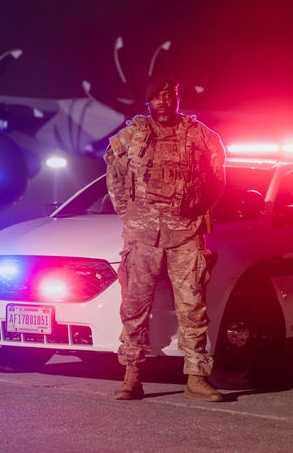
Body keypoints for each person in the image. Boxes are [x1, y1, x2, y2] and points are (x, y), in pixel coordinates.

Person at [104, 74, 226, 402]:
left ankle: (197, 378)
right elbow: (114, 175)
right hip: (142, 236)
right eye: (157, 97)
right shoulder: (131, 136)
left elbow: (217, 179)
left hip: (185, 233)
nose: (164, 102)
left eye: (170, 95)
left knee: (193, 307)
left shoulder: (200, 136)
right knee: (133, 305)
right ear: (148, 101)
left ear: (177, 97)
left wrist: (199, 207)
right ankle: (132, 376)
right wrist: (131, 215)